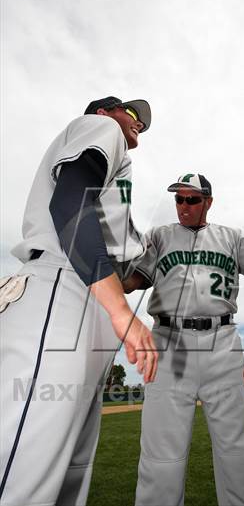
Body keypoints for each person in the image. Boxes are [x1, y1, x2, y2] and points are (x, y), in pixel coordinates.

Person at [0, 96, 158, 506]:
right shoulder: (100, 128)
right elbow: (70, 204)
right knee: (22, 470)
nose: (140, 122)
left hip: (86, 293)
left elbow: (118, 251)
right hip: (61, 284)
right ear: (104, 112)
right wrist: (121, 311)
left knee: (64, 473)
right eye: (132, 113)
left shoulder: (119, 166)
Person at [125, 173, 244, 506]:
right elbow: (132, 280)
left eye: (192, 199)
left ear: (208, 202)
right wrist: (111, 266)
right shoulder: (160, 236)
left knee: (239, 453)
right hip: (168, 343)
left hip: (222, 340)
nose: (184, 206)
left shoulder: (231, 238)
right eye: (179, 199)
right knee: (161, 457)